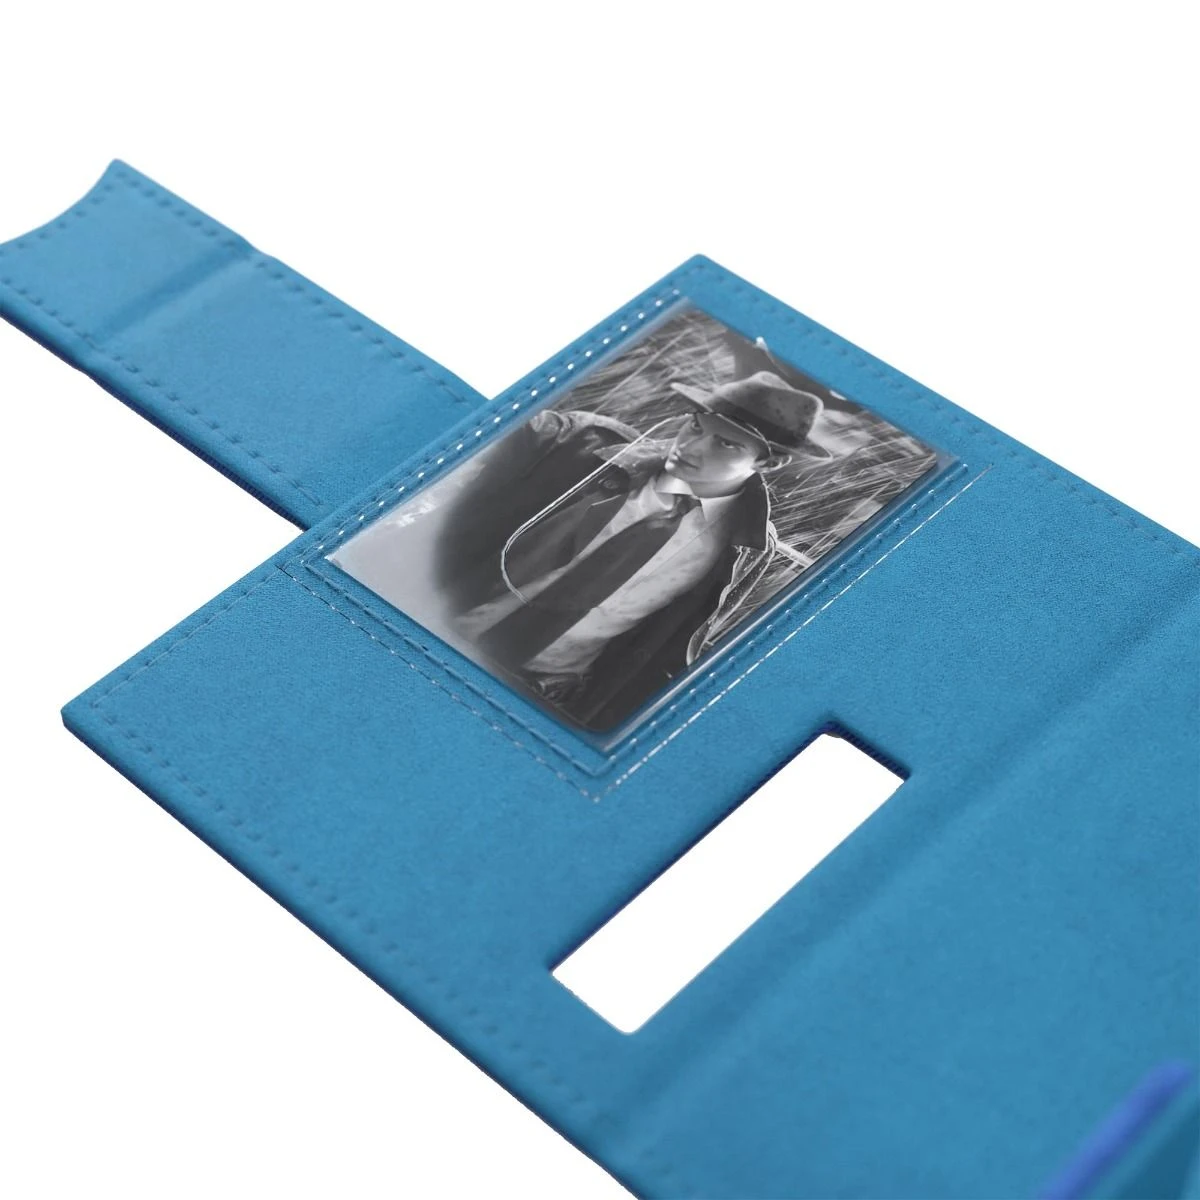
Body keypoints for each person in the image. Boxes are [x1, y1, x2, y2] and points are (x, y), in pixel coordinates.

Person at [433, 371, 840, 731]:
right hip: (444, 631)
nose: (692, 447)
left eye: (725, 444)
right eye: (696, 426)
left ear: (769, 464)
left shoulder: (746, 548)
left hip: (545, 692)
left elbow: (674, 645)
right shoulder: (580, 447)